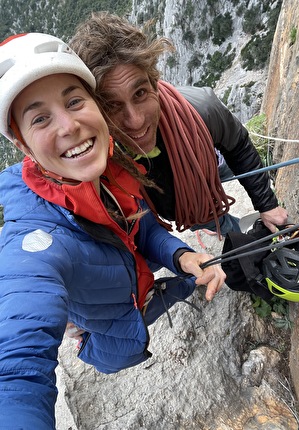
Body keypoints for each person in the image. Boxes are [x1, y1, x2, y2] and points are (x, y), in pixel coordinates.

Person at [0, 33, 226, 428]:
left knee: (157, 302)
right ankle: (88, 343)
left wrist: (182, 256)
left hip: (134, 295)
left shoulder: (112, 171)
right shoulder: (34, 235)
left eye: (74, 101)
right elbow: (17, 368)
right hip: (107, 331)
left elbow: (143, 230)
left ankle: (143, 306)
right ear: (22, 145)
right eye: (40, 118)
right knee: (114, 352)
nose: (69, 125)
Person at [69, 12, 289, 237]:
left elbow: (238, 146)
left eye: (140, 93)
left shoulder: (202, 108)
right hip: (187, 211)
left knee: (219, 206)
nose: (135, 120)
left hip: (208, 172)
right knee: (218, 224)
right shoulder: (92, 157)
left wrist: (267, 205)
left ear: (154, 82)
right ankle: (224, 228)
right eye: (111, 105)